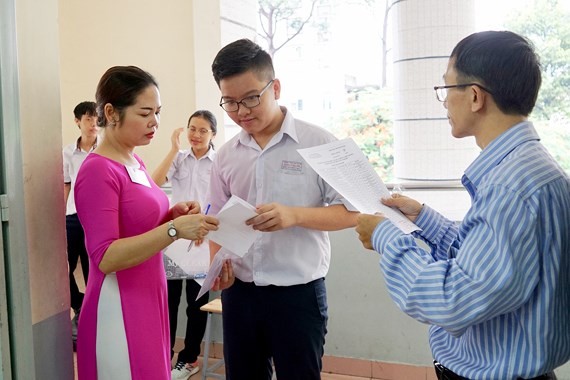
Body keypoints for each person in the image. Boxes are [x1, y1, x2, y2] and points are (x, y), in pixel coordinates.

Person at [356, 31, 570, 380]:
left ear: (474, 96)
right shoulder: (531, 169)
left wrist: (384, 236)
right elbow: (490, 258)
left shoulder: (509, 186)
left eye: (446, 89)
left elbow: (453, 299)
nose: (443, 102)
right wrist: (425, 219)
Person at [208, 38, 358, 380]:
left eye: (250, 98)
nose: (241, 111)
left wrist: (294, 215)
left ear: (274, 87)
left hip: (298, 295)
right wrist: (219, 263)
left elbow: (353, 212)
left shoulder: (318, 143)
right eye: (229, 102)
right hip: (240, 294)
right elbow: (215, 217)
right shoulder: (226, 155)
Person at [74, 66, 219, 380]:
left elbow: (139, 223)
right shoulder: (98, 170)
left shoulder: (134, 160)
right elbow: (106, 256)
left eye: (158, 112)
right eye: (145, 113)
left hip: (148, 295)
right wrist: (172, 230)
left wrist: (173, 214)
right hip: (119, 303)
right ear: (111, 112)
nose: (155, 122)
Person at [151, 110, 218, 379]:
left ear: (213, 133)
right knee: (167, 303)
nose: (196, 135)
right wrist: (172, 149)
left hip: (203, 241)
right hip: (175, 238)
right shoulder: (179, 160)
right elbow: (153, 183)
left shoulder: (220, 161)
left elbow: (223, 198)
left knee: (195, 306)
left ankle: (189, 359)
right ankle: (162, 356)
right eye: (192, 128)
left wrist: (204, 223)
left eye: (203, 130)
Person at [63, 101, 99, 350]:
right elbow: (66, 184)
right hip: (72, 216)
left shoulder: (105, 150)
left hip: (95, 218)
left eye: (96, 118)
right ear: (77, 122)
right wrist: (60, 213)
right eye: (87, 119)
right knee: (64, 266)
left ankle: (90, 313)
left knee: (91, 268)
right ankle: (78, 302)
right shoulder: (67, 153)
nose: (93, 123)